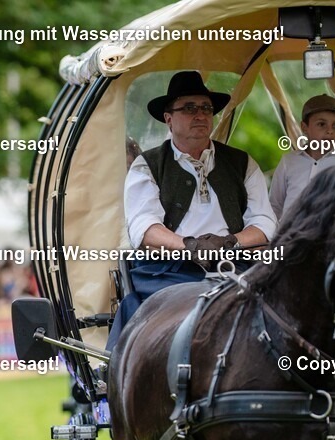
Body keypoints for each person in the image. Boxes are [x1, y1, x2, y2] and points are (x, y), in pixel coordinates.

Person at [109, 71, 277, 349]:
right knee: (149, 328)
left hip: (236, 268)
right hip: (169, 272)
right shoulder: (147, 165)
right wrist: (190, 245)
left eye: (206, 108)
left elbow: (265, 222)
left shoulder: (241, 163)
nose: (200, 115)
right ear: (168, 118)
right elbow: (145, 228)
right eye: (189, 108)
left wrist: (230, 242)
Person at [269, 95, 335, 218]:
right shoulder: (288, 162)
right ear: (304, 127)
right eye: (322, 124)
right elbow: (275, 206)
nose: (330, 131)